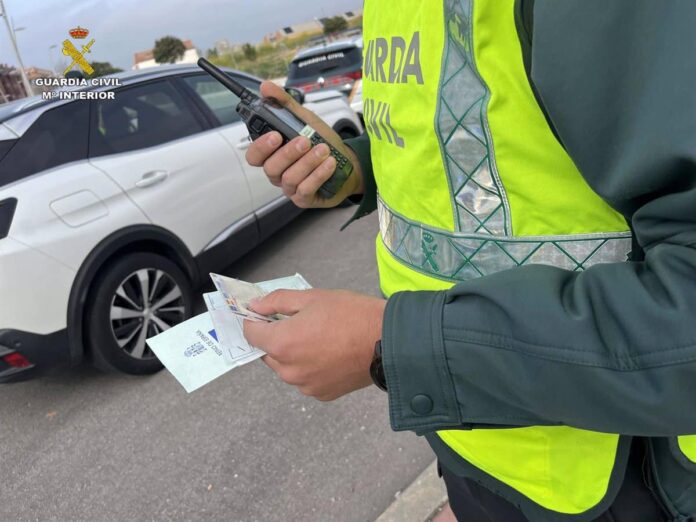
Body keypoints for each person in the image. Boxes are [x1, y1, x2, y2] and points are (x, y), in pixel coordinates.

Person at [243, 1, 696, 520]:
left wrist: (389, 344)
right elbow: (465, 140)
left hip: (617, 473)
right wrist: (355, 168)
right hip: (468, 437)